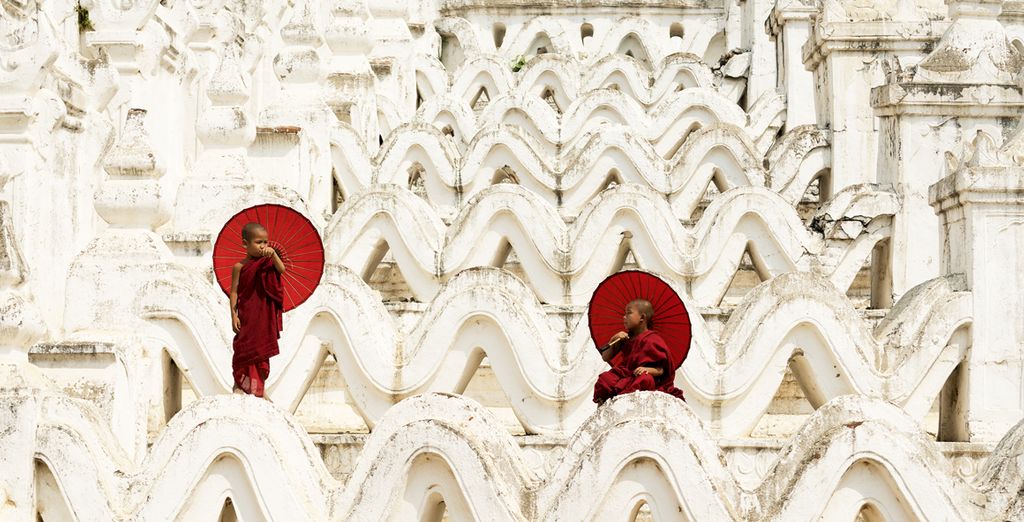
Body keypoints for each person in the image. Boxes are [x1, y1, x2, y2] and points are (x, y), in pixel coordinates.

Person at [229, 222, 286, 398]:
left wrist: (274, 255)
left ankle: (259, 389)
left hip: (263, 316)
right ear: (245, 244)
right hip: (247, 315)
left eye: (266, 242)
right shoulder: (239, 266)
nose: (263, 246)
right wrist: (233, 315)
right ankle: (239, 384)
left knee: (260, 354)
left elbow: (282, 269)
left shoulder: (268, 263)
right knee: (243, 350)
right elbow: (234, 292)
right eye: (259, 242)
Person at [593, 299, 686, 405]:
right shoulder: (625, 338)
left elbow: (661, 370)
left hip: (641, 377)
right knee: (605, 379)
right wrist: (614, 338)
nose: (624, 317)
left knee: (645, 380)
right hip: (627, 375)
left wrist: (648, 369)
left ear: (642, 317)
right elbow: (606, 357)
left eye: (629, 313)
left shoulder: (652, 339)